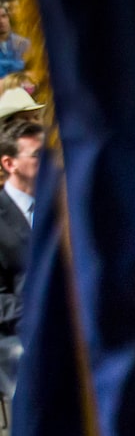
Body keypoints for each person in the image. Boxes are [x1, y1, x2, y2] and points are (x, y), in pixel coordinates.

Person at [0, 121, 41, 345]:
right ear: (9, 163)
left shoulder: (61, 208)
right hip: (18, 346)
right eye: (37, 154)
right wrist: (41, 314)